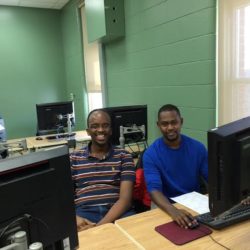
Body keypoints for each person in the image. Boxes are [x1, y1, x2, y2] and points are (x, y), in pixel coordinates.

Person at [143, 104, 208, 229]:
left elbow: (213, 179)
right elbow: (154, 190)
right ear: (158, 125)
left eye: (174, 122)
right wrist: (173, 211)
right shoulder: (151, 154)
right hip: (165, 204)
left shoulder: (198, 148)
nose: (170, 128)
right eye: (165, 124)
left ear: (181, 122)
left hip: (194, 203)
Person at [70, 109, 136, 231]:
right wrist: (74, 218)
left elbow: (125, 200)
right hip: (84, 214)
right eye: (94, 126)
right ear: (88, 131)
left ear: (111, 130)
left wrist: (99, 228)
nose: (100, 130)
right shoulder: (74, 158)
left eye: (105, 125)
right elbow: (63, 198)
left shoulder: (124, 156)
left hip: (119, 212)